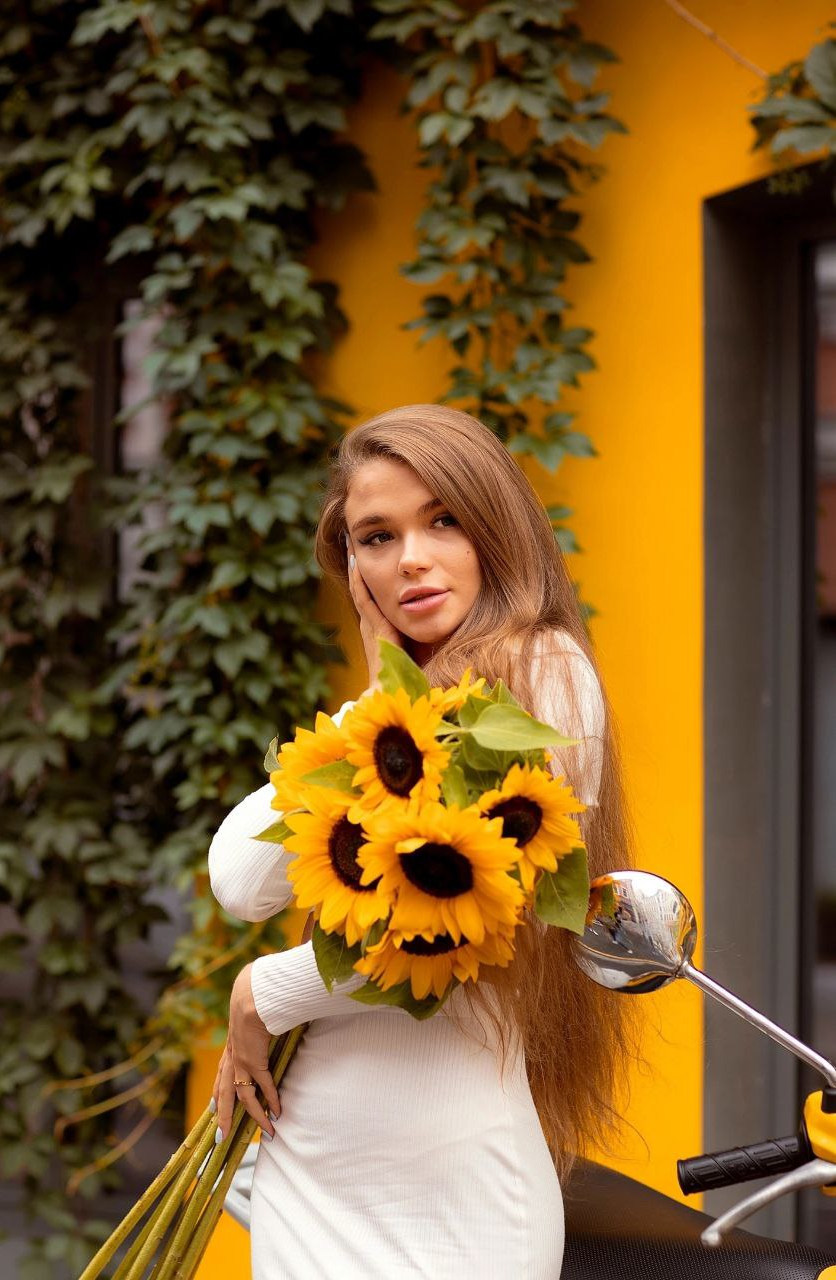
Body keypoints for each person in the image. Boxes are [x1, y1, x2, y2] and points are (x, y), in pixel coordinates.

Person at [208, 404, 635, 1279]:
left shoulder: (545, 674)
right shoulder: (387, 720)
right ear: (352, 567)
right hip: (310, 1171)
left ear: (495, 528)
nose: (410, 557)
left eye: (443, 519)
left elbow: (453, 930)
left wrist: (262, 991)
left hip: (453, 1197)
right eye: (375, 536)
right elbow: (240, 879)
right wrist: (381, 693)